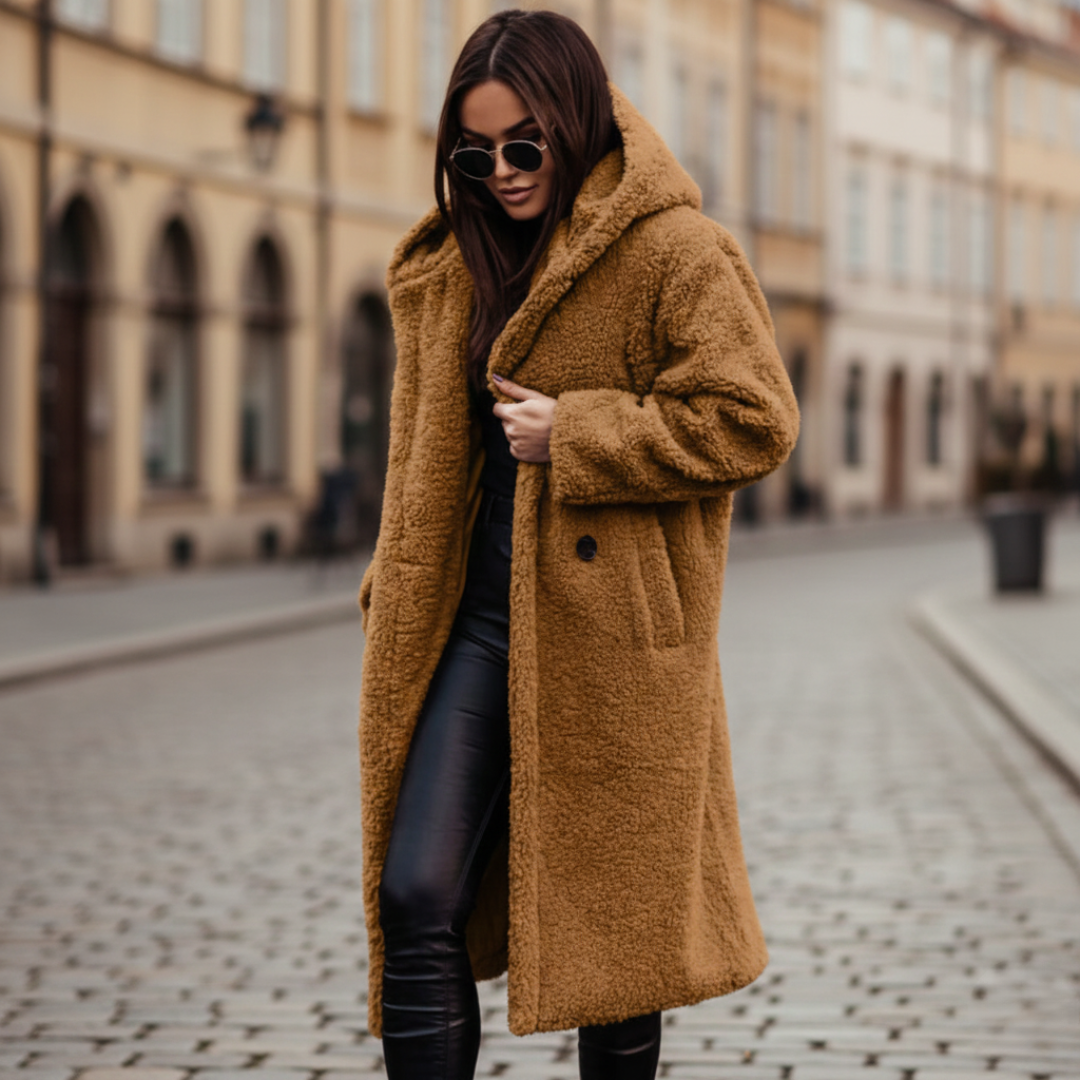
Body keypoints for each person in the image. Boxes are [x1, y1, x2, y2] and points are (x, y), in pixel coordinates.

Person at [357, 10, 800, 1079]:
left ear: (575, 122)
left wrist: (584, 432)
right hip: (469, 626)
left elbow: (756, 417)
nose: (502, 172)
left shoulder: (674, 250)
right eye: (475, 151)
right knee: (416, 892)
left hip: (614, 642)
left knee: (620, 951)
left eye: (524, 147)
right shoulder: (446, 264)